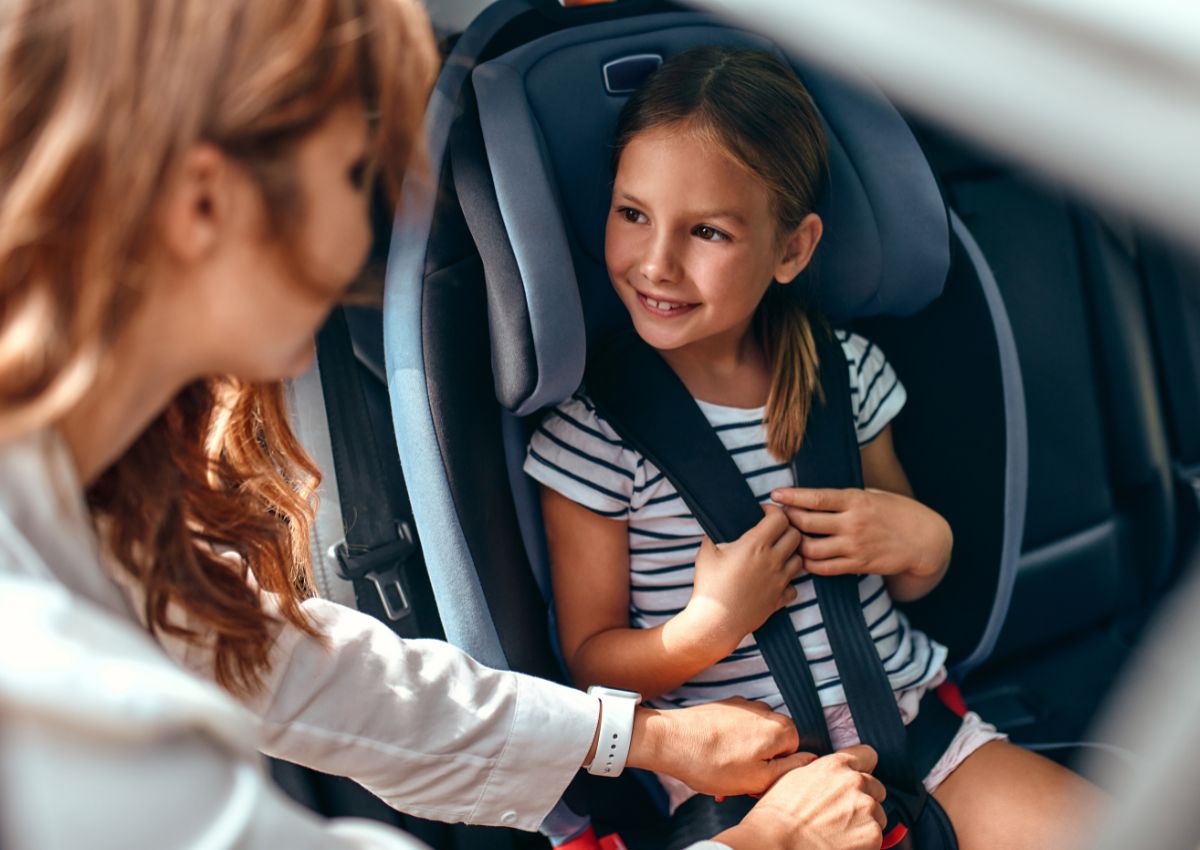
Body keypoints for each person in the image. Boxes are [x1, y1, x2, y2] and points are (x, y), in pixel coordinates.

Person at [0, 3, 893, 849]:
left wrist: (643, 741)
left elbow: (317, 678)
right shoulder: (35, 661)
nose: (363, 236)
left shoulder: (85, 524)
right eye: (354, 176)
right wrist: (758, 841)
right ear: (205, 204)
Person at [526, 46, 1102, 850]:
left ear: (792, 249)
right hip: (746, 786)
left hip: (915, 736)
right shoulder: (591, 439)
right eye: (633, 214)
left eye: (708, 232)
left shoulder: (849, 378)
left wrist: (923, 541)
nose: (656, 262)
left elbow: (904, 579)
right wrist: (707, 628)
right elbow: (589, 664)